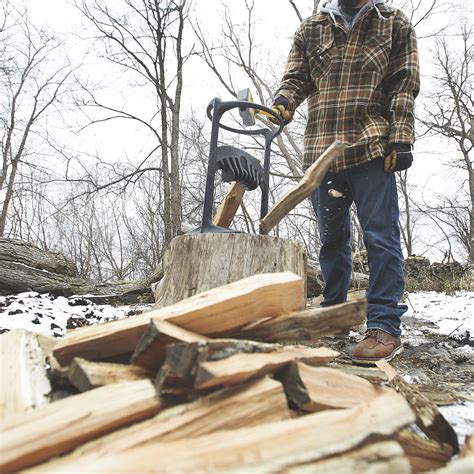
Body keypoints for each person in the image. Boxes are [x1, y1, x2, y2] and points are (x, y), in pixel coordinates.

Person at [272, 0, 420, 363]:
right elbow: (296, 77)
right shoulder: (313, 28)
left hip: (371, 147)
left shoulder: (393, 24)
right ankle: (333, 314)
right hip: (323, 153)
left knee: (380, 237)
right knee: (332, 240)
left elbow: (404, 84)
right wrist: (283, 102)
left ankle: (384, 324)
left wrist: (401, 138)